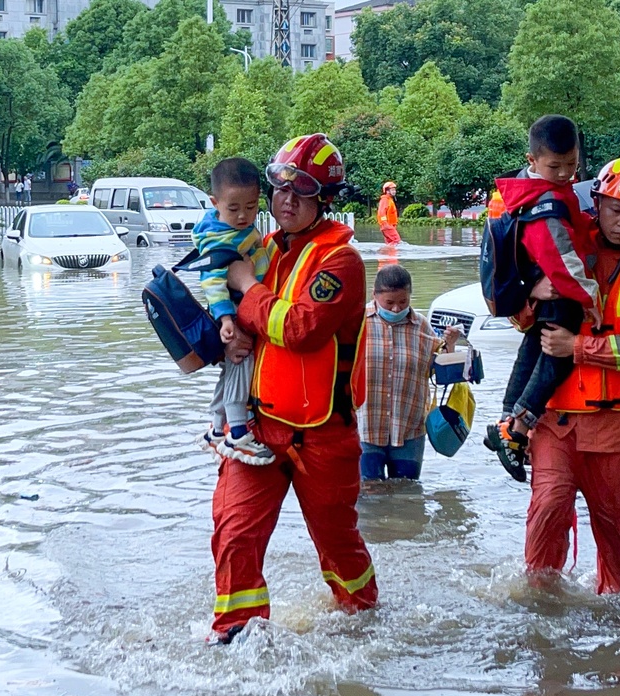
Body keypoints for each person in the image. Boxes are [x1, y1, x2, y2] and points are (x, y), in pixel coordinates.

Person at [210, 134, 376, 644]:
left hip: (323, 436)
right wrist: (225, 326)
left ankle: (362, 623)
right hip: (258, 428)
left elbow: (301, 329)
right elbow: (245, 319)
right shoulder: (264, 252)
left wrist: (246, 286)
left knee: (336, 542)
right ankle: (236, 635)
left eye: (300, 192)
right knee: (234, 529)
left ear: (324, 199)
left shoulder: (340, 262)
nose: (285, 201)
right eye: (279, 189)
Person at [522, 154, 620, 594]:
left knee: (617, 529)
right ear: (598, 203)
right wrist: (532, 294)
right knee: (547, 509)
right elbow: (515, 315)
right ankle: (540, 602)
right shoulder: (564, 241)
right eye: (615, 210)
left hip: (618, 428)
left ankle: (616, 609)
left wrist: (579, 348)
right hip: (558, 419)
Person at [483, 114, 598, 482]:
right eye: (555, 166)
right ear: (532, 161)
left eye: (572, 165)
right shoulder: (545, 205)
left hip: (538, 296)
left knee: (533, 350)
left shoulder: (524, 191)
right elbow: (563, 262)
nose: (565, 173)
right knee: (558, 359)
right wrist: (590, 299)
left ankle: (503, 420)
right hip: (558, 295)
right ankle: (517, 429)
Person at [193, 157, 276, 465]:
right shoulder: (219, 240)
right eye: (233, 208)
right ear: (215, 203)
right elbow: (213, 281)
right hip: (236, 312)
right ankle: (237, 431)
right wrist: (226, 318)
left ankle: (216, 428)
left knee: (231, 371)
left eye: (251, 207)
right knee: (242, 360)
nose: (243, 216)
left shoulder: (231, 229)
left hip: (239, 307)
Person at [359, 264, 460, 481]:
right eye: (389, 303)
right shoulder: (357, 322)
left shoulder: (422, 326)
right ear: (374, 295)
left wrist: (451, 345)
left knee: (408, 492)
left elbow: (443, 376)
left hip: (409, 428)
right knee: (369, 496)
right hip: (365, 427)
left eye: (403, 302)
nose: (396, 309)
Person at [377, 181, 401, 245]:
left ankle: (389, 254)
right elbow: (381, 212)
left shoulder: (389, 199)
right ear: (387, 191)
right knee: (396, 241)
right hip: (387, 225)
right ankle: (391, 253)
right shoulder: (385, 200)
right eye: (392, 190)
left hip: (390, 225)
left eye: (394, 190)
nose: (394, 191)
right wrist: (385, 223)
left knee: (390, 243)